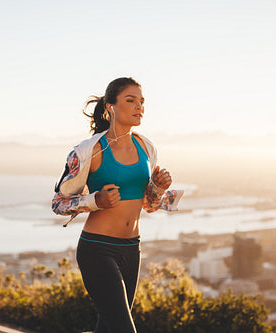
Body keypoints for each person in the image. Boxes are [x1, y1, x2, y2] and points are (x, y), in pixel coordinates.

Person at [52, 77, 183, 333]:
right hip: (97, 250)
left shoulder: (146, 147)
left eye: (142, 102)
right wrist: (95, 201)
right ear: (111, 106)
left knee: (109, 329)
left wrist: (158, 187)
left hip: (132, 250)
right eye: (130, 100)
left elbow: (148, 205)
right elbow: (59, 203)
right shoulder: (89, 151)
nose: (139, 107)